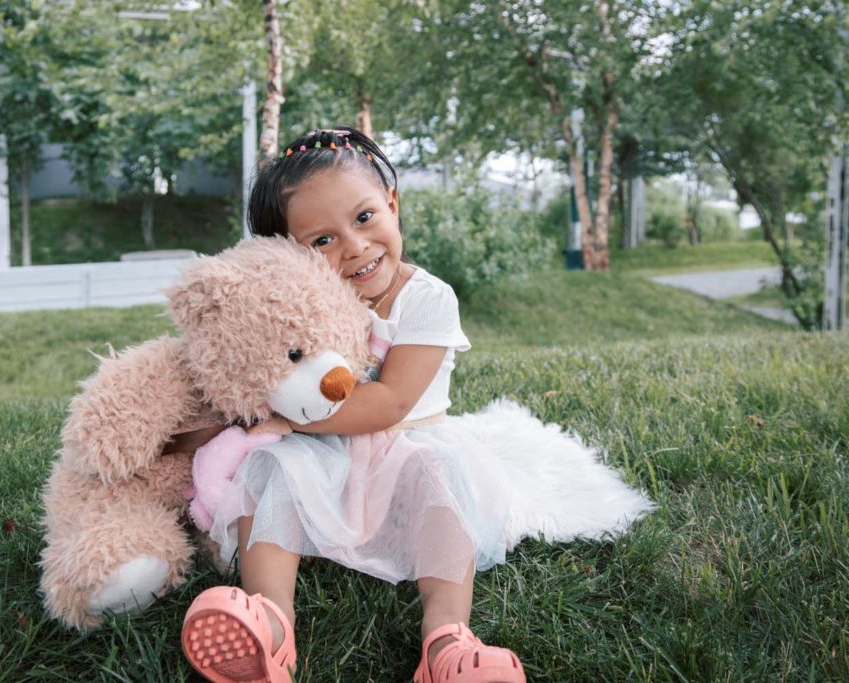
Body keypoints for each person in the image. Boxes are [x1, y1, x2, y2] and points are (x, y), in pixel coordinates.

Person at [180, 127, 651, 683]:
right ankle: (271, 628)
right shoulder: (297, 309)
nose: (355, 246)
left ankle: (446, 640)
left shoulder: (427, 299)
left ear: (392, 204)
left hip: (407, 445)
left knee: (442, 480)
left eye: (363, 218)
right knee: (269, 471)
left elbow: (389, 401)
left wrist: (286, 417)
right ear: (289, 257)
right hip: (325, 453)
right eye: (322, 242)